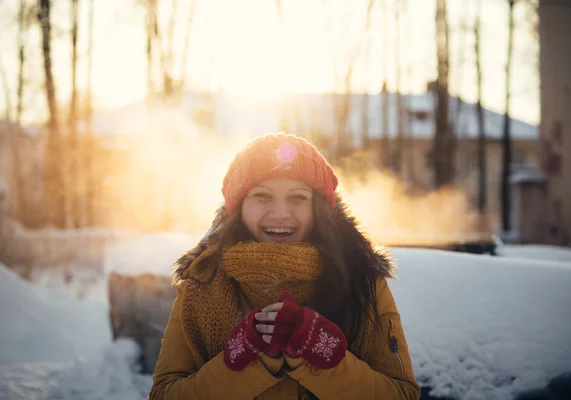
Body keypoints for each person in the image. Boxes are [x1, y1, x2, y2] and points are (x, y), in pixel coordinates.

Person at [149, 133, 420, 400]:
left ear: (318, 208)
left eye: (297, 198)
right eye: (262, 196)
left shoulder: (362, 281)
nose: (280, 213)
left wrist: (322, 359)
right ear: (239, 208)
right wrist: (246, 362)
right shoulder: (201, 283)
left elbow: (402, 394)